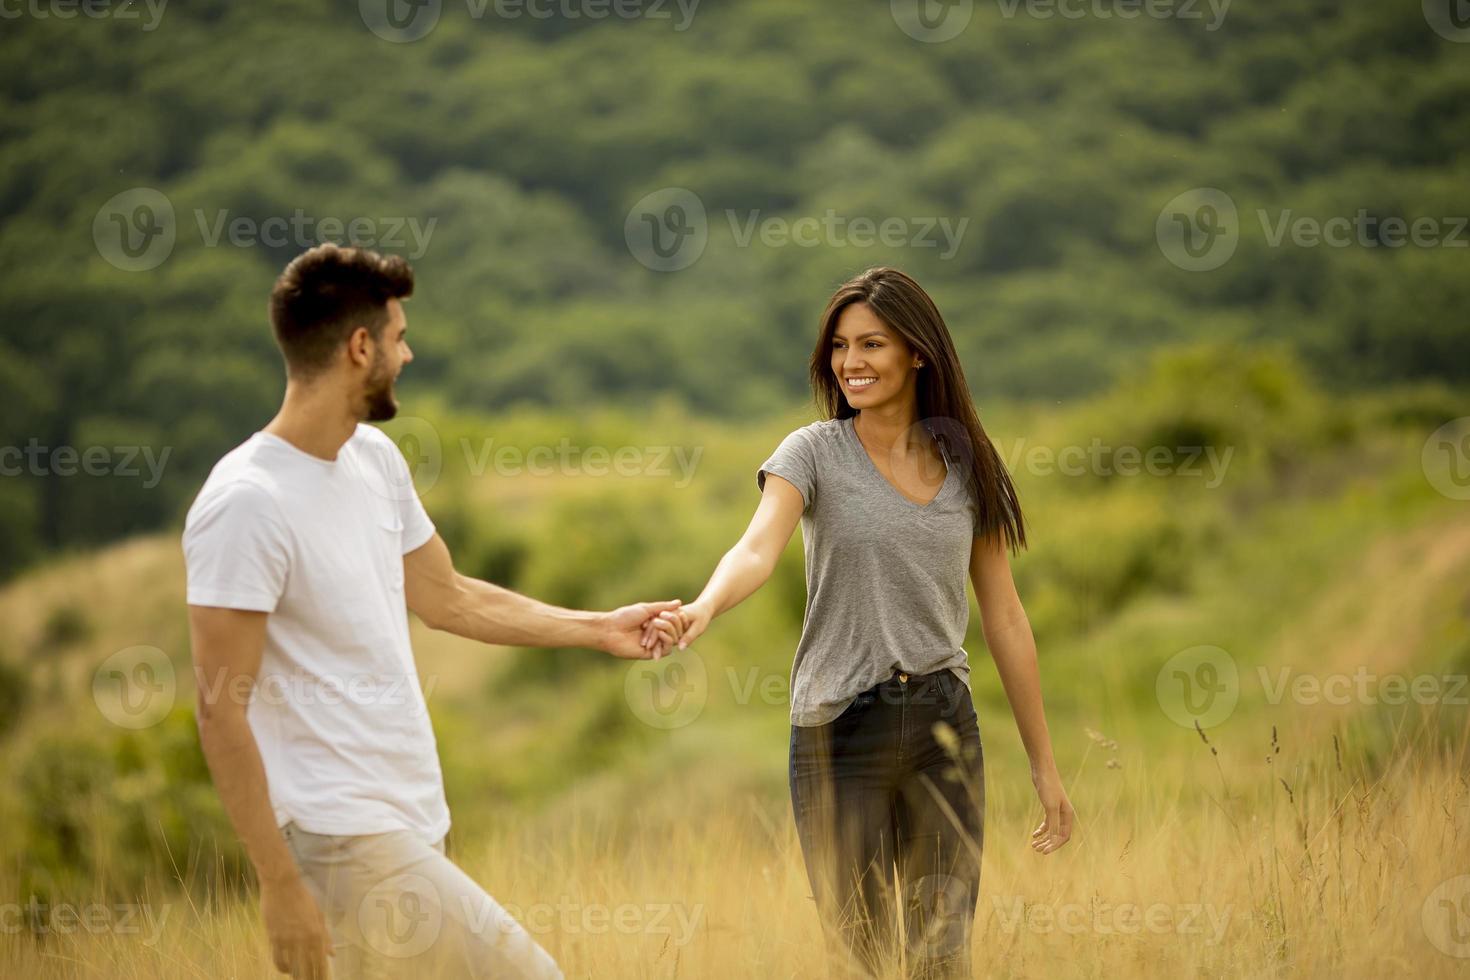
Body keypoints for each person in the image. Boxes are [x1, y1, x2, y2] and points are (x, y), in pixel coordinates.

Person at [182, 243, 684, 980]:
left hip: (411, 822)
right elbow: (220, 708)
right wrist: (280, 882)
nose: (408, 354)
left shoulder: (375, 462)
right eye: (399, 336)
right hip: (338, 833)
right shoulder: (247, 502)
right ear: (361, 348)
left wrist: (597, 627)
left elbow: (447, 597)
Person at [671, 267, 1076, 978]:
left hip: (941, 723)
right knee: (863, 955)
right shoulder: (813, 452)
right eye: (839, 347)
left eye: (872, 345)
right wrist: (704, 606)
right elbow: (756, 546)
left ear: (917, 352)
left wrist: (1046, 768)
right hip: (838, 736)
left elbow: (1006, 618)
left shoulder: (968, 465)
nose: (850, 363)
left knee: (941, 956)